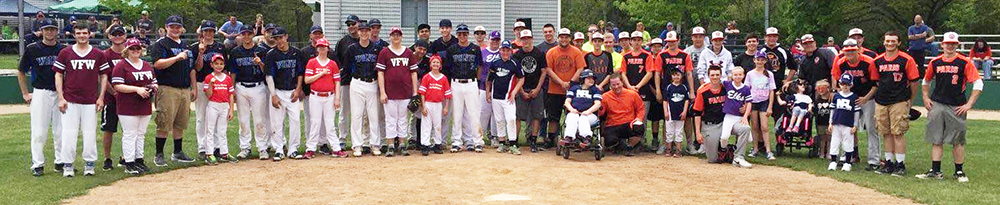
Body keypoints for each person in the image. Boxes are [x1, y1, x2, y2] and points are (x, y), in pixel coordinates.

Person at [915, 32, 982, 183]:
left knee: (957, 140)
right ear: (942, 45)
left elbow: (978, 83)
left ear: (957, 45)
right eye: (947, 43)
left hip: (956, 105)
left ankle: (959, 171)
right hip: (938, 103)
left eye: (953, 44)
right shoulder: (935, 62)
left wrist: (969, 104)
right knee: (936, 138)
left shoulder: (964, 62)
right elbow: (926, 81)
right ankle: (935, 170)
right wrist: (925, 97)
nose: (950, 46)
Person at [55, 24, 110, 177]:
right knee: (69, 133)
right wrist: (60, 97)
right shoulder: (65, 52)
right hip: (70, 99)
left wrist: (101, 97)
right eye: (78, 33)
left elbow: (104, 75)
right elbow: (58, 74)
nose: (81, 35)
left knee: (90, 133)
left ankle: (89, 164)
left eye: (84, 33)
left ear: (89, 34)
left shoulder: (98, 54)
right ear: (74, 35)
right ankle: (68, 165)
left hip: (90, 100)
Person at [19, 19, 67, 177]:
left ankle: (60, 161)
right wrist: (25, 93)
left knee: (60, 130)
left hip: (60, 93)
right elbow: (21, 71)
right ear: (42, 31)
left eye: (52, 29)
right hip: (41, 91)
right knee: (39, 130)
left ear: (56, 31)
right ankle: (38, 164)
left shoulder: (63, 49)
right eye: (47, 29)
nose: (50, 32)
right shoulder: (33, 49)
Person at [149, 15, 196, 166]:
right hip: (167, 87)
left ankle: (177, 152)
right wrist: (176, 58)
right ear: (167, 27)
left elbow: (192, 69)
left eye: (178, 26)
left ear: (182, 28)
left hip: (184, 88)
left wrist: (193, 87)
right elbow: (157, 64)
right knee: (164, 121)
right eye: (172, 26)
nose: (175, 29)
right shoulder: (161, 44)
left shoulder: (186, 45)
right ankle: (159, 154)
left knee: (180, 122)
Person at [872, 31, 921, 174]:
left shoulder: (906, 60)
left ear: (899, 43)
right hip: (881, 100)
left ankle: (900, 164)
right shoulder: (878, 61)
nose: (890, 43)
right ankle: (889, 163)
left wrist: (910, 100)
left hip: (899, 100)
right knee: (885, 132)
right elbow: (876, 80)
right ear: (883, 42)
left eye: (893, 41)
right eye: (887, 41)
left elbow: (914, 81)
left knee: (898, 133)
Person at [831, 39, 879, 167]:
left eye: (852, 50)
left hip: (867, 97)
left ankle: (873, 160)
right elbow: (835, 79)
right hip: (849, 98)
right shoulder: (841, 62)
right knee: (845, 127)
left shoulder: (868, 62)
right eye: (847, 51)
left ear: (858, 50)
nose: (850, 53)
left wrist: (866, 98)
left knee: (871, 128)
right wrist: (840, 93)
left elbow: (875, 85)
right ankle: (847, 156)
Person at [111, 38, 155, 175]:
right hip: (127, 105)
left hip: (145, 104)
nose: (135, 51)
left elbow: (155, 82)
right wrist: (137, 89)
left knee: (141, 134)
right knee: (130, 134)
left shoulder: (147, 65)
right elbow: (117, 85)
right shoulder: (121, 65)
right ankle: (129, 162)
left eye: (138, 48)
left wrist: (152, 88)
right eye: (132, 48)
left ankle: (139, 160)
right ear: (127, 50)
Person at [694, 66, 753, 166]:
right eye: (712, 75)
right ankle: (728, 149)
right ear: (708, 76)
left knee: (745, 129)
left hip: (726, 121)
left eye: (717, 75)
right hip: (710, 125)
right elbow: (697, 113)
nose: (715, 77)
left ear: (721, 76)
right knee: (713, 159)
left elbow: (742, 97)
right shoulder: (703, 91)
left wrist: (745, 108)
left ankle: (739, 157)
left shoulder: (726, 87)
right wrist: (697, 132)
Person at [228, 26, 271, 160]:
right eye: (243, 34)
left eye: (248, 34)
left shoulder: (261, 51)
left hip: (258, 86)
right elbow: (233, 72)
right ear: (240, 35)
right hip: (241, 87)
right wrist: (232, 89)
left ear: (253, 34)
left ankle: (262, 148)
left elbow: (267, 71)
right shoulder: (236, 52)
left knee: (260, 120)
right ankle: (245, 147)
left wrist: (260, 63)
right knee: (243, 120)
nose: (246, 36)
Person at [653, 31, 698, 154]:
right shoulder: (662, 55)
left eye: (673, 41)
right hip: (667, 89)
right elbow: (657, 73)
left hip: (683, 89)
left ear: (678, 40)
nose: (671, 43)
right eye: (669, 42)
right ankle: (666, 144)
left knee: (686, 117)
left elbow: (689, 73)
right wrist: (658, 90)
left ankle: (689, 144)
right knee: (666, 117)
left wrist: (692, 91)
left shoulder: (685, 55)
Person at [264, 27, 305, 161]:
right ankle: (278, 149)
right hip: (278, 91)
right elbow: (269, 76)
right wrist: (273, 95)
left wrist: (298, 89)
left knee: (295, 120)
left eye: (281, 37)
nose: (279, 41)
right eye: (276, 38)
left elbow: (300, 73)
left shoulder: (296, 52)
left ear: (286, 37)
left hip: (292, 91)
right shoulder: (271, 54)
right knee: (277, 122)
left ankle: (293, 149)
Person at [377, 27, 418, 157]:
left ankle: (401, 143)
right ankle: (390, 144)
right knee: (390, 119)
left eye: (398, 35)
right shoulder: (384, 52)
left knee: (402, 119)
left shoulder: (408, 53)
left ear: (401, 36)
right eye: (393, 35)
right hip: (390, 92)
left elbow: (413, 73)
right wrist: (382, 92)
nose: (396, 37)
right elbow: (380, 73)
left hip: (405, 91)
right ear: (390, 36)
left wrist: (415, 92)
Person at [443, 24, 485, 153]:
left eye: (465, 34)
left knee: (474, 113)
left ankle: (476, 141)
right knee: (457, 114)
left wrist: (477, 83)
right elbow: (448, 68)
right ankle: (456, 141)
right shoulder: (452, 49)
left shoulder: (475, 48)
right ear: (457, 35)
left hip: (471, 82)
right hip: (455, 82)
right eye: (460, 34)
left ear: (468, 35)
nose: (462, 36)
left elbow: (480, 67)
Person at [346, 20, 384, 157]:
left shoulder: (376, 48)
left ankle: (375, 144)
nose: (364, 33)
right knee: (356, 115)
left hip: (372, 83)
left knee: (374, 116)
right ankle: (357, 145)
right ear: (358, 32)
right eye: (361, 31)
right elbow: (347, 68)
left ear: (369, 32)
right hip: (357, 82)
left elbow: (380, 69)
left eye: (366, 30)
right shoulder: (352, 49)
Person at [304, 37, 347, 158]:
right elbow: (307, 80)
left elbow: (337, 81)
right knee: (315, 122)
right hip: (315, 96)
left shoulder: (332, 64)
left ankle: (336, 148)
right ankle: (310, 148)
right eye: (319, 47)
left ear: (328, 48)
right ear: (317, 49)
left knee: (330, 123)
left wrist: (337, 98)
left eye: (324, 47)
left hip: (329, 96)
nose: (322, 50)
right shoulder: (312, 62)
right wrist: (320, 74)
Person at [544, 28, 587, 149]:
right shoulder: (551, 52)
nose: (564, 39)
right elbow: (548, 69)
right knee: (553, 116)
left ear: (570, 38)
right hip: (554, 89)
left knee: (574, 114)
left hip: (573, 90)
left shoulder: (576, 52)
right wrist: (561, 82)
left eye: (566, 37)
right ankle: (551, 138)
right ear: (558, 38)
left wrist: (571, 82)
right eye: (561, 37)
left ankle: (574, 138)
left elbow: (580, 68)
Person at [190, 20, 226, 160]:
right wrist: (200, 53)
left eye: (211, 31)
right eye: (206, 31)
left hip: (218, 84)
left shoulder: (220, 47)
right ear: (202, 32)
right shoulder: (195, 47)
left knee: (217, 116)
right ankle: (203, 147)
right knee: (202, 117)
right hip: (201, 82)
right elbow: (196, 68)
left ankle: (216, 147)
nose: (209, 33)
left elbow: (225, 68)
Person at [621, 31, 658, 150]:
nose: (636, 42)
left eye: (639, 40)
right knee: (628, 115)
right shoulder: (626, 56)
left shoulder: (647, 55)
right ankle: (629, 140)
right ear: (631, 41)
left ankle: (641, 141)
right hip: (628, 90)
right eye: (634, 40)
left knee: (642, 117)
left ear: (642, 41)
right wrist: (629, 86)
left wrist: (638, 86)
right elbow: (623, 74)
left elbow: (649, 73)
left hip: (643, 90)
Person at [488, 40, 525, 155]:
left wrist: (514, 92)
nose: (505, 52)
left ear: (511, 51)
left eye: (507, 50)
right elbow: (489, 79)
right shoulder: (495, 63)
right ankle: (502, 142)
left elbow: (522, 79)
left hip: (508, 97)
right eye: (503, 50)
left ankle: (513, 143)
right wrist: (487, 93)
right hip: (496, 96)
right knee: (499, 120)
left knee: (511, 119)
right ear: (500, 51)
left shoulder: (514, 63)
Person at [513, 29, 548, 153]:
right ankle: (514, 140)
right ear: (521, 40)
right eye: (523, 38)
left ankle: (533, 140)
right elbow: (515, 75)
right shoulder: (517, 55)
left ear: (532, 38)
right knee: (517, 116)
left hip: (536, 88)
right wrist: (521, 91)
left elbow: (544, 72)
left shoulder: (539, 53)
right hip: (521, 88)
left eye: (528, 38)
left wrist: (538, 89)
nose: (526, 41)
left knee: (536, 116)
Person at [99, 25, 128, 171]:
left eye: (120, 34)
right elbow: (102, 77)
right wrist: (115, 92)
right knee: (109, 129)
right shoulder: (105, 55)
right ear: (109, 36)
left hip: (128, 98)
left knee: (128, 129)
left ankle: (125, 156)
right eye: (114, 34)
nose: (117, 37)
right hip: (111, 98)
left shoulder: (129, 53)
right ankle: (107, 158)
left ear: (125, 35)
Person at [201, 54, 236, 164]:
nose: (219, 66)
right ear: (212, 65)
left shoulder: (228, 78)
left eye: (221, 64)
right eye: (216, 64)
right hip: (213, 104)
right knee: (210, 129)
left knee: (222, 130)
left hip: (224, 106)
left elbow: (230, 94)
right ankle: (209, 153)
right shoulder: (209, 78)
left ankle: (224, 152)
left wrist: (231, 109)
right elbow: (208, 95)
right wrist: (211, 85)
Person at [601, 74, 645, 156]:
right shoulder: (605, 97)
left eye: (618, 84)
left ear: (622, 83)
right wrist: (599, 108)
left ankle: (630, 146)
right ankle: (620, 145)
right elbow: (601, 113)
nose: (616, 87)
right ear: (610, 85)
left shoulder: (632, 94)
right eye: (613, 85)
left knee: (639, 127)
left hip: (628, 123)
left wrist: (639, 118)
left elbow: (640, 108)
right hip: (612, 124)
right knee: (610, 141)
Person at [719, 67, 753, 167]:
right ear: (732, 76)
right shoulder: (728, 84)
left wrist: (745, 116)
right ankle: (725, 149)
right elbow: (716, 81)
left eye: (740, 74)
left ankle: (738, 157)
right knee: (724, 137)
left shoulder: (746, 88)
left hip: (739, 117)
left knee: (749, 138)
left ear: (743, 75)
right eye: (735, 74)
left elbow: (749, 103)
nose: (737, 76)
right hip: (729, 116)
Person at [745, 50, 776, 160]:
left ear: (765, 61)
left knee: (764, 127)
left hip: (764, 102)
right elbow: (746, 89)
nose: (760, 61)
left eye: (762, 60)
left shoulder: (769, 74)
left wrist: (770, 106)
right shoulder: (750, 74)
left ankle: (768, 150)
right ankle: (755, 148)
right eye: (758, 59)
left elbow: (772, 91)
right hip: (753, 102)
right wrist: (746, 104)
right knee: (754, 126)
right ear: (754, 60)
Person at [418, 55, 451, 155]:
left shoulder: (443, 78)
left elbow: (447, 94)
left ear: (440, 65)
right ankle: (425, 144)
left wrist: (446, 107)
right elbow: (422, 93)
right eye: (434, 62)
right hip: (428, 103)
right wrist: (423, 107)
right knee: (426, 125)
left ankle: (437, 144)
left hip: (438, 104)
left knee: (437, 125)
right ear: (430, 64)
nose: (435, 64)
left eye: (438, 62)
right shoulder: (427, 77)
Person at [335, 14, 360, 147]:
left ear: (358, 24)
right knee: (344, 112)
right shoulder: (342, 42)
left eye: (353, 24)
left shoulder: (363, 40)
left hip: (361, 81)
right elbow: (336, 60)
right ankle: (342, 139)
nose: (351, 27)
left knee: (360, 112)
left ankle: (360, 139)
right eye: (348, 24)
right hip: (346, 81)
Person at [828, 74, 861, 172]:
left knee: (848, 143)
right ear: (839, 84)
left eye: (847, 84)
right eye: (843, 84)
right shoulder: (836, 96)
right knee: (835, 142)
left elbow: (856, 112)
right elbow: (832, 110)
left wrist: (855, 125)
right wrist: (830, 122)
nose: (845, 86)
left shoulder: (854, 97)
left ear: (851, 85)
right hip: (836, 123)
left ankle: (847, 162)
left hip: (848, 124)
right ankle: (833, 161)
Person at [561, 69, 601, 148]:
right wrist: (572, 109)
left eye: (592, 78)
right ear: (583, 79)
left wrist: (588, 111)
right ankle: (569, 138)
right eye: (588, 78)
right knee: (572, 116)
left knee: (583, 118)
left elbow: (598, 103)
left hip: (590, 115)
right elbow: (567, 102)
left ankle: (587, 138)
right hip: (575, 112)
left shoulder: (595, 90)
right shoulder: (574, 88)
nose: (591, 80)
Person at [660, 69, 689, 157]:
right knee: (669, 131)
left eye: (678, 75)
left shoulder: (684, 87)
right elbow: (665, 101)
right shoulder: (669, 87)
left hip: (680, 113)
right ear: (671, 76)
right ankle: (668, 149)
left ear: (681, 76)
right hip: (670, 113)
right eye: (674, 75)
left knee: (679, 131)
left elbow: (686, 100)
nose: (676, 77)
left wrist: (684, 112)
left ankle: (678, 150)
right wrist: (666, 112)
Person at [480, 31, 502, 146]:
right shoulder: (482, 52)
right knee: (484, 112)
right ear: (488, 40)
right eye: (493, 39)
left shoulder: (503, 53)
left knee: (497, 113)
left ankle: (495, 136)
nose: (495, 42)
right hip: (483, 87)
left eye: (497, 40)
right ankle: (480, 136)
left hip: (499, 87)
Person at [813, 80, 834, 159]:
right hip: (820, 122)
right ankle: (821, 152)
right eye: (818, 88)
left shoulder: (831, 100)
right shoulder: (817, 100)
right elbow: (815, 110)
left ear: (828, 88)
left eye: (823, 88)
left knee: (829, 138)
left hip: (829, 122)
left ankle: (829, 152)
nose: (821, 90)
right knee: (822, 138)